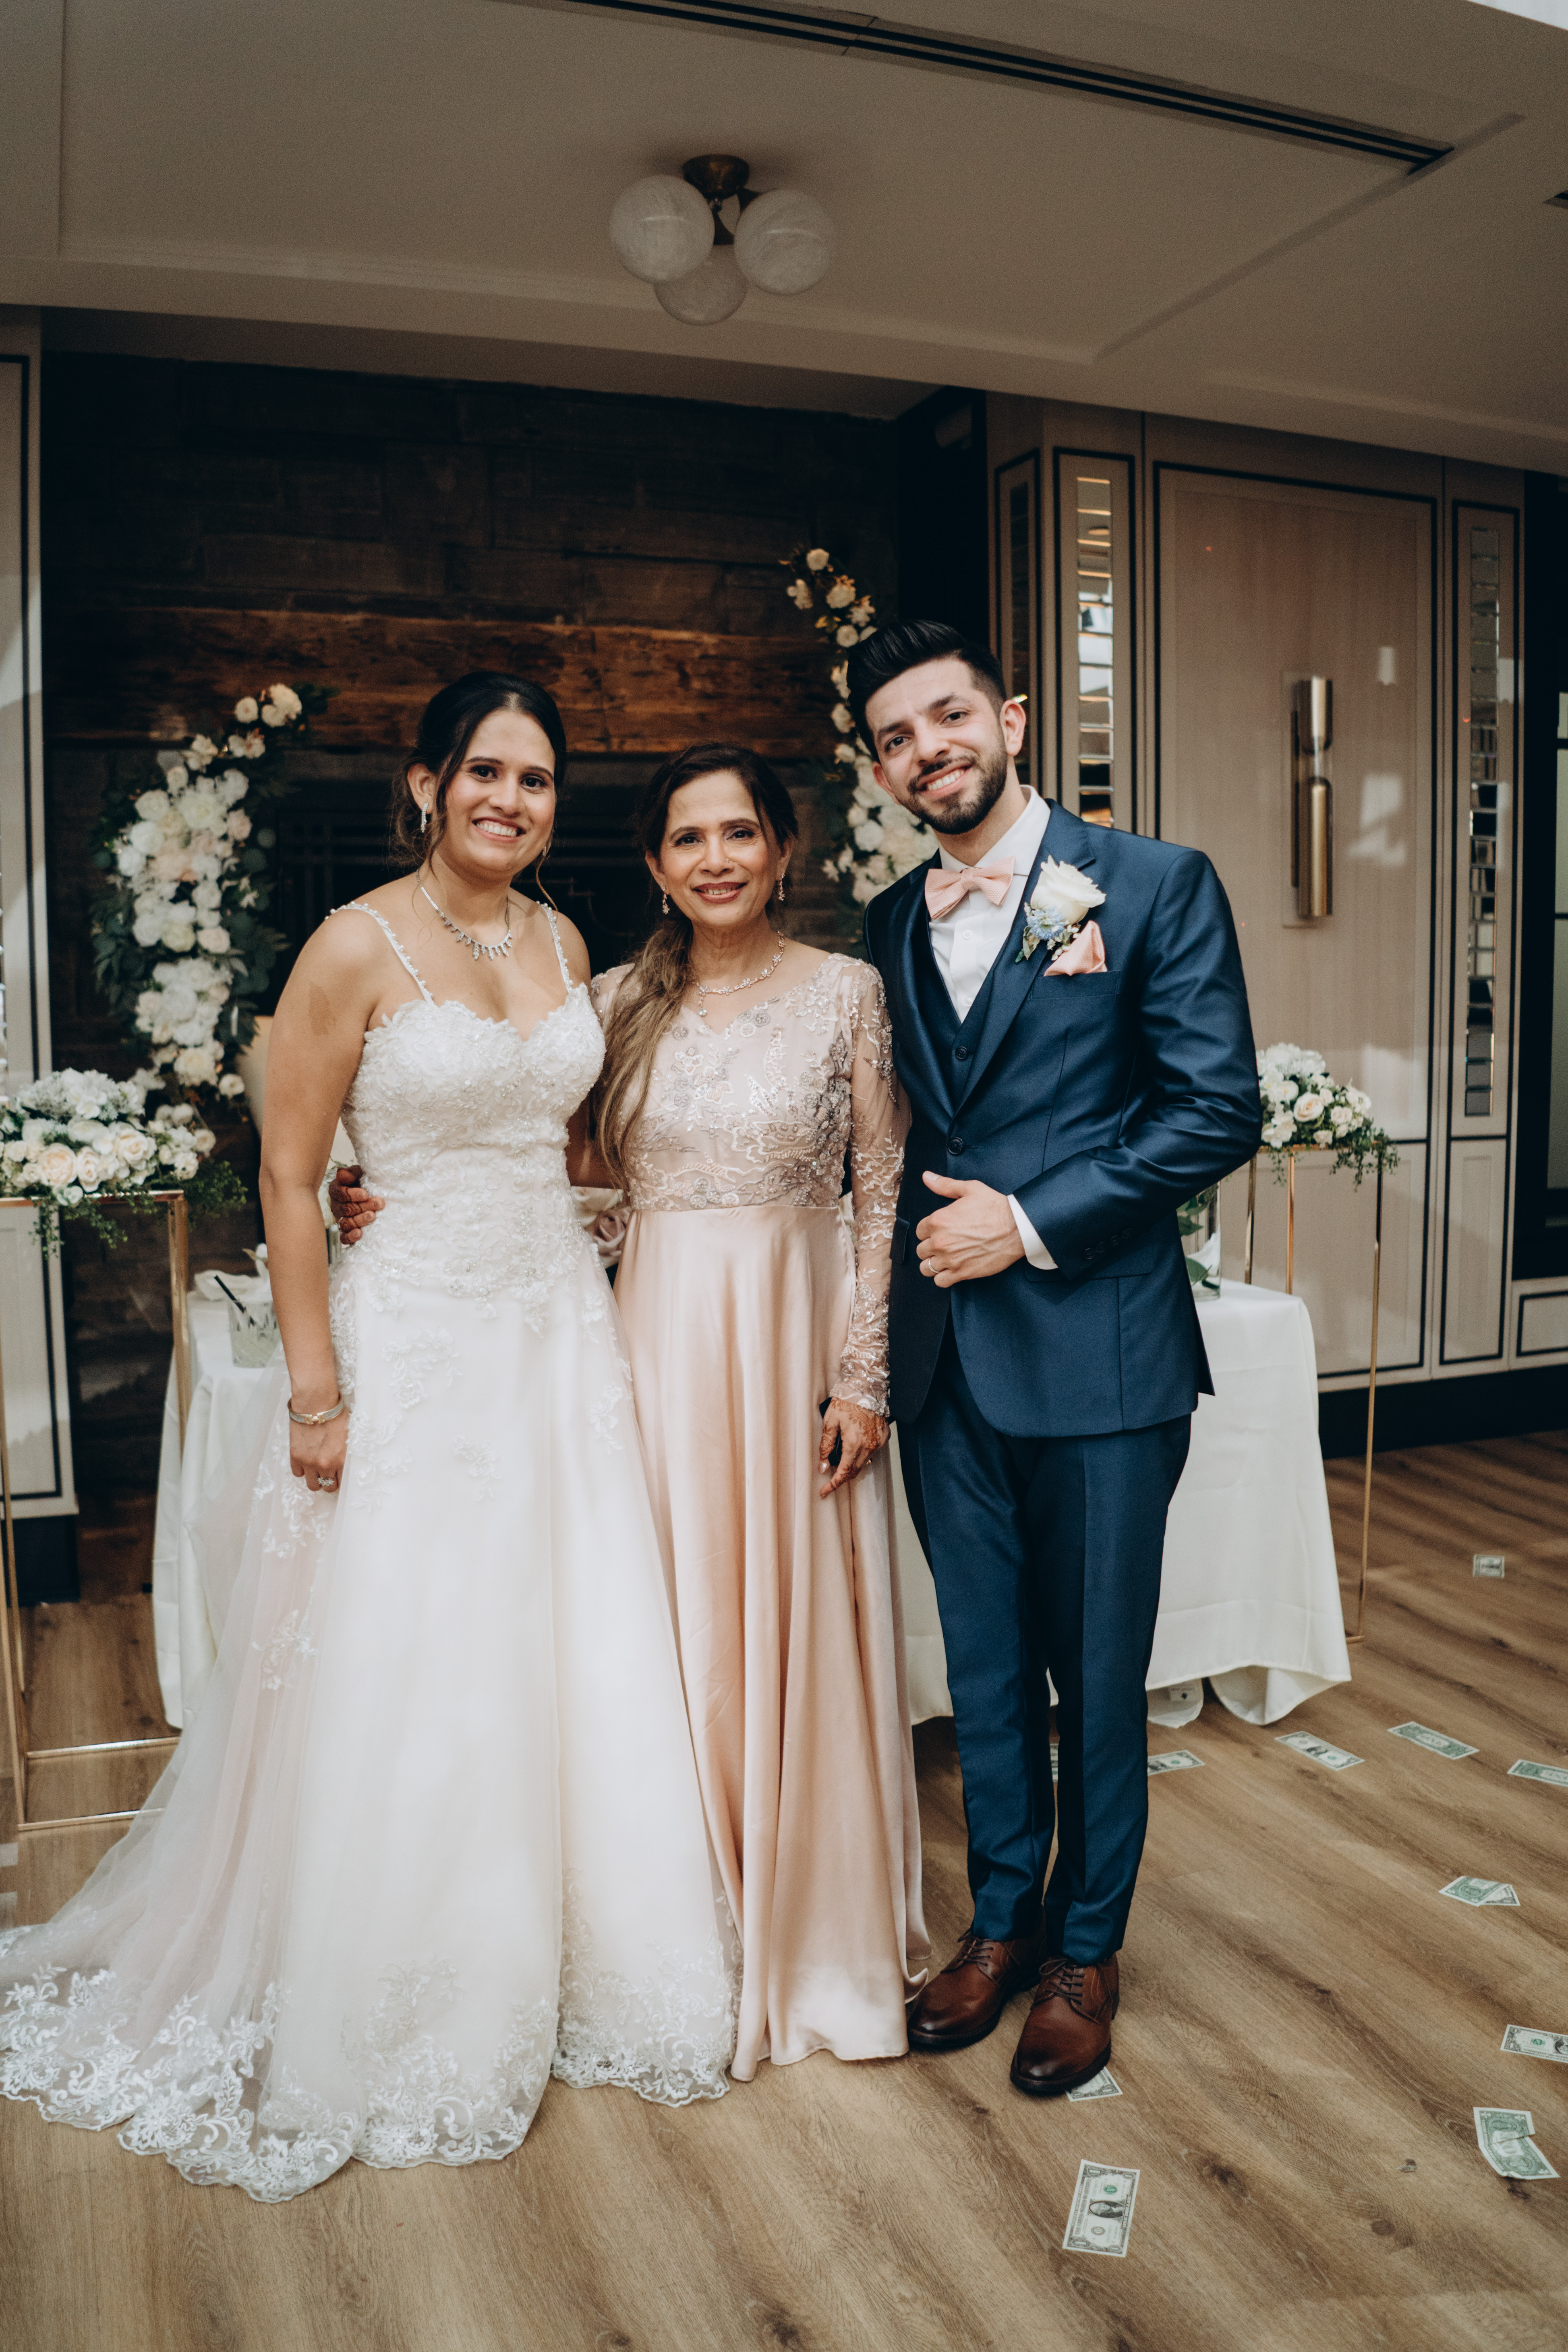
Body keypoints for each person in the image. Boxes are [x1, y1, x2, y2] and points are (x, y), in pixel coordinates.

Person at [0, 674, 735, 2201]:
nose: (510, 800)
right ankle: (407, 1977)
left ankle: (582, 1956)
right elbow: (289, 1176)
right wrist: (317, 1391)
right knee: (424, 1649)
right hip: (415, 1344)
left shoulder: (564, 945)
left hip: (555, 1335)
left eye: (537, 780)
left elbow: (560, 1143)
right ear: (427, 784)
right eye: (486, 772)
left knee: (569, 1635)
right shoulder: (352, 945)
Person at [337, 742, 928, 2082]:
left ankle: (815, 1923)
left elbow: (882, 1191)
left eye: (740, 833)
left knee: (796, 1616)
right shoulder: (609, 1001)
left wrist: (863, 1376)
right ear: (657, 866)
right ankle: (687, 1921)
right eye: (688, 840)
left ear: (783, 849)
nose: (717, 860)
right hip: (652, 1345)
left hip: (795, 1334)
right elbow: (548, 1175)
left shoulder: (847, 992)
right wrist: (376, 1196)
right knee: (666, 1624)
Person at [849, 619, 1261, 2097]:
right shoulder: (887, 926)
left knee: (1095, 1674)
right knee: (982, 1670)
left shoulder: (1150, 883)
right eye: (897, 738)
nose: (929, 751)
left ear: (1011, 719)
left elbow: (1214, 1108)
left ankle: (1089, 1951)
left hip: (1101, 1352)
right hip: (946, 1361)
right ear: (881, 771)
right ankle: (1002, 1922)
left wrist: (1026, 1224)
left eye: (949, 717)